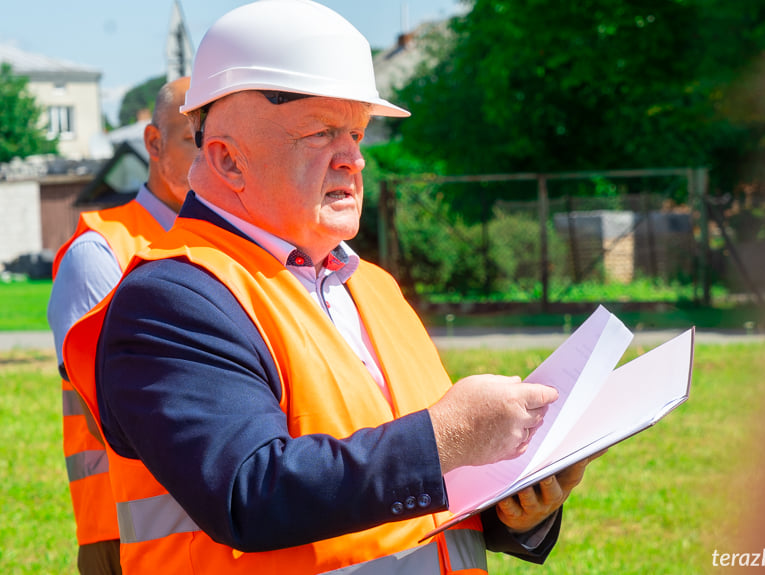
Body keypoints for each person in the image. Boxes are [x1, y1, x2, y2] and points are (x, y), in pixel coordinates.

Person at [62, 2, 599, 573]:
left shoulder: (375, 287)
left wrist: (513, 511)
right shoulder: (173, 298)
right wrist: (448, 435)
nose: (355, 160)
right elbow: (250, 491)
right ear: (226, 159)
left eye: (358, 133)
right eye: (322, 134)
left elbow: (417, 489)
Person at [47, 76, 196, 575]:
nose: (211, 153)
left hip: (223, 531)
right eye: (192, 137)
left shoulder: (230, 246)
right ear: (154, 143)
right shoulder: (101, 253)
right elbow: (108, 415)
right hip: (127, 537)